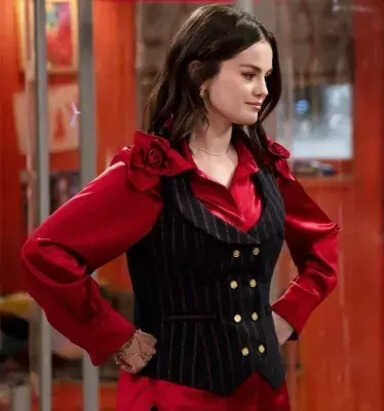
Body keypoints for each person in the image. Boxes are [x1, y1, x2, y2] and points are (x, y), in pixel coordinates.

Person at [21, 5, 339, 410]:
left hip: (265, 394)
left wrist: (291, 312)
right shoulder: (149, 174)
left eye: (266, 76)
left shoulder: (267, 169)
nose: (263, 89)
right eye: (248, 75)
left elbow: (322, 244)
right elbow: (44, 255)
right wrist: (114, 336)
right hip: (175, 394)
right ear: (199, 76)